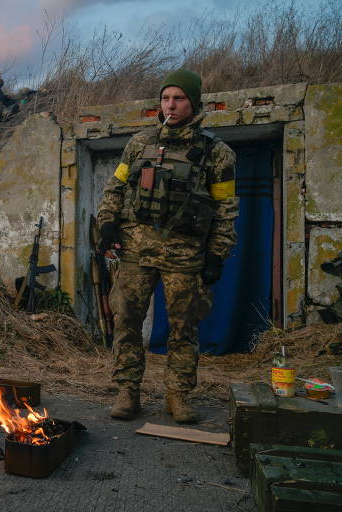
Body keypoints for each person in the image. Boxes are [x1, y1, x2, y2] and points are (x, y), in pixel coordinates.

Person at [97, 69, 238, 423]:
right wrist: (107, 224)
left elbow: (226, 209)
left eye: (179, 98)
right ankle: (128, 392)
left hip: (184, 254)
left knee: (184, 328)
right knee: (127, 321)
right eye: (165, 98)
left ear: (194, 103)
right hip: (136, 250)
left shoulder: (216, 152)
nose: (170, 105)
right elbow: (115, 189)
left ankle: (178, 396)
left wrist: (217, 254)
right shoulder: (138, 143)